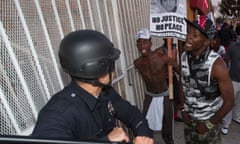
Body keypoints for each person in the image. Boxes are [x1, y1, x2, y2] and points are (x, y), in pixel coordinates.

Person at [31, 30, 154, 144]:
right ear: (99, 67)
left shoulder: (105, 92)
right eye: (111, 62)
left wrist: (143, 136)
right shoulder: (58, 113)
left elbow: (132, 114)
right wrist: (106, 140)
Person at [180, 15, 234, 143]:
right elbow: (182, 85)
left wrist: (208, 124)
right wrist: (183, 109)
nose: (188, 37)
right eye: (188, 32)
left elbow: (230, 102)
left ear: (206, 41)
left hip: (208, 127)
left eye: (195, 35)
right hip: (189, 122)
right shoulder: (183, 57)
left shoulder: (217, 66)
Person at [134, 28, 178, 144]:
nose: (142, 45)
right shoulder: (137, 63)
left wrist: (172, 62)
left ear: (150, 43)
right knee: (144, 125)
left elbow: (178, 71)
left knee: (167, 129)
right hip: (149, 96)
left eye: (145, 41)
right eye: (139, 42)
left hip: (164, 95)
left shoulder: (162, 57)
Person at [221, 40, 240, 135]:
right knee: (230, 102)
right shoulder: (233, 46)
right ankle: (225, 124)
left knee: (238, 101)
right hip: (233, 79)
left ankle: (236, 116)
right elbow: (226, 59)